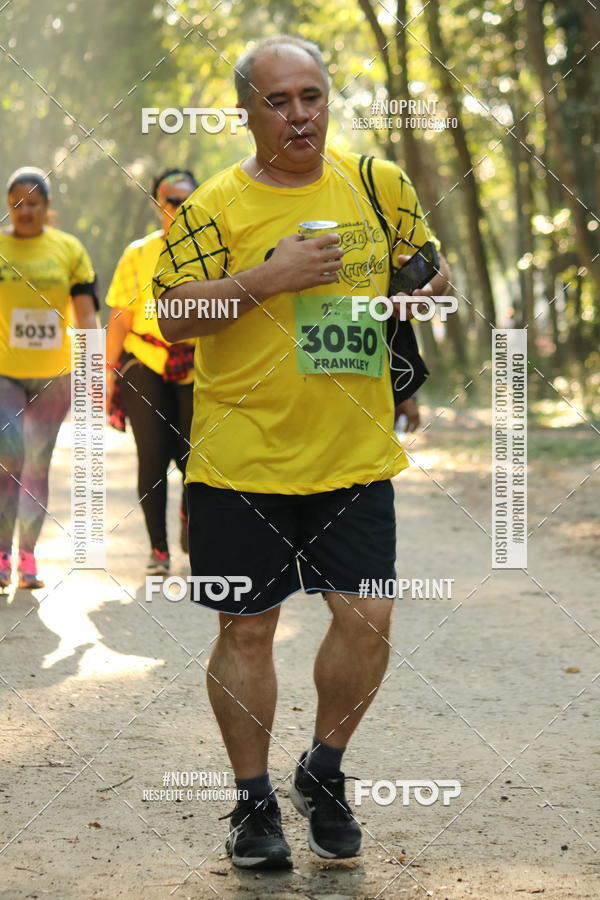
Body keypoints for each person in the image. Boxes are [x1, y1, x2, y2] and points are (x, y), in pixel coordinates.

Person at [153, 36, 450, 870]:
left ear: (328, 100)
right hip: (240, 461)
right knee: (246, 631)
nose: (299, 115)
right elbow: (174, 316)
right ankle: (253, 807)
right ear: (246, 111)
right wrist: (267, 278)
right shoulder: (213, 207)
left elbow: (432, 281)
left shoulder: (376, 184)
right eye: (278, 101)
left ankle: (323, 770)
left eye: (311, 96)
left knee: (369, 619)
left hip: (354, 454)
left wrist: (429, 290)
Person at [0, 167, 99, 590]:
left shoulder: (69, 250)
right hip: (5, 372)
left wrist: (95, 371)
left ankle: (28, 557)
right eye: (17, 202)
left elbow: (87, 316)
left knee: (37, 465)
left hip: (55, 377)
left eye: (33, 202)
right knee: (9, 458)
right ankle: (2, 553)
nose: (25, 210)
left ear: (47, 206)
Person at [105, 169, 198, 575]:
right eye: (170, 200)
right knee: (153, 456)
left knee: (194, 458)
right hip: (144, 359)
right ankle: (158, 550)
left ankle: (190, 522)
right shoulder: (138, 253)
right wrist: (108, 375)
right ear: (158, 203)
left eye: (185, 200)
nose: (177, 208)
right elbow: (121, 318)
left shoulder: (215, 251)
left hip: (196, 364)